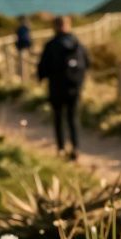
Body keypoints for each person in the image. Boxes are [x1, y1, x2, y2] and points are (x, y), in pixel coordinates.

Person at [36, 15, 89, 159]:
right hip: (74, 88)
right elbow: (87, 63)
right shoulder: (77, 43)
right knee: (73, 118)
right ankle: (76, 147)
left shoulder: (51, 45)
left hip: (56, 88)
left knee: (58, 118)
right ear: (69, 25)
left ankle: (60, 148)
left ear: (54, 26)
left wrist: (41, 79)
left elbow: (42, 68)